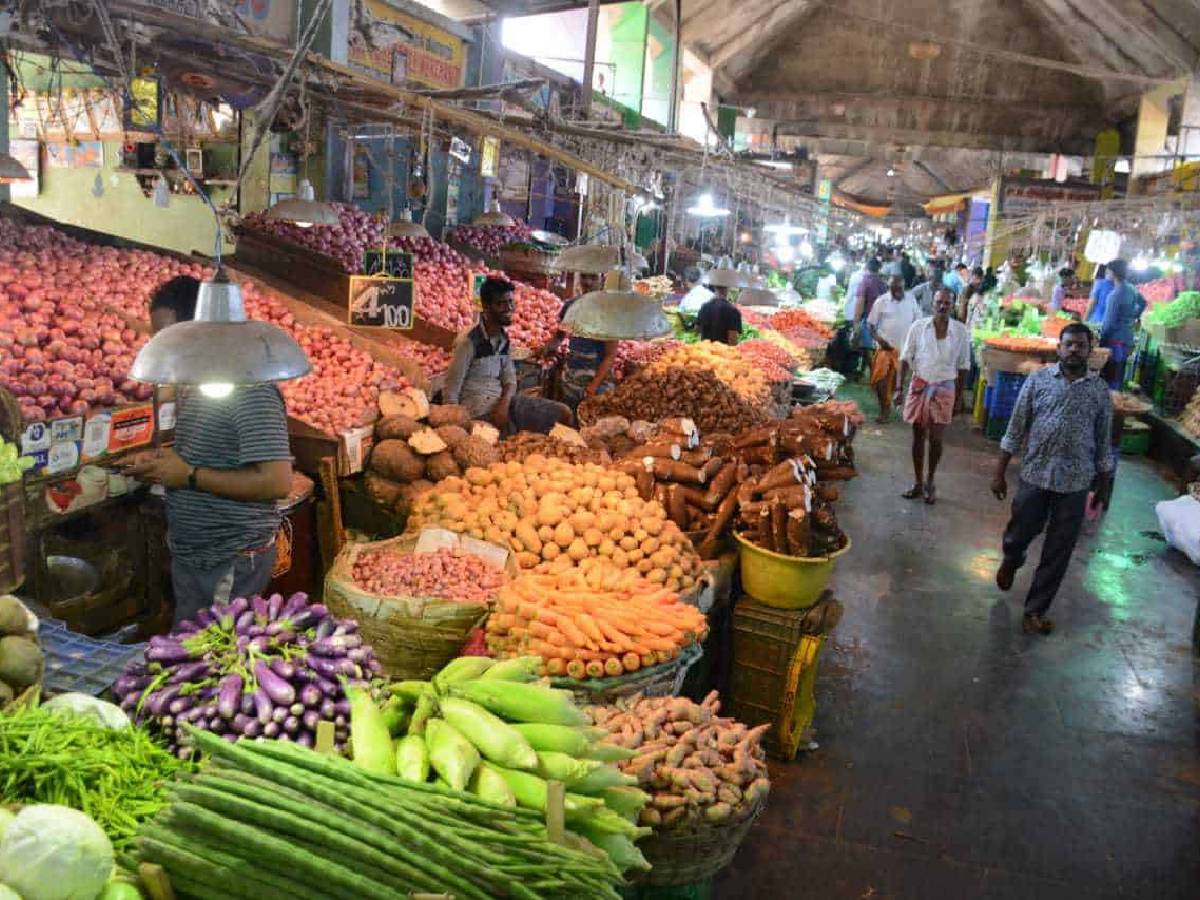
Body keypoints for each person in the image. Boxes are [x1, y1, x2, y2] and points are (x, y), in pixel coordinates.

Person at [126, 276, 293, 626]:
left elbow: (276, 482)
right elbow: (203, 451)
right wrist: (160, 464)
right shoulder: (194, 379)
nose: (162, 348)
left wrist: (189, 475)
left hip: (231, 557)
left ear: (201, 332)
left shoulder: (251, 390)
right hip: (195, 554)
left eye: (168, 337)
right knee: (188, 645)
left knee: (214, 651)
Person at [992, 323, 1114, 635]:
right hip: (1036, 473)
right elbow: (1016, 427)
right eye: (1068, 344)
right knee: (1019, 533)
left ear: (1089, 351)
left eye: (1080, 345)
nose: (1074, 349)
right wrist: (999, 472)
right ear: (1059, 348)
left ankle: (1035, 609)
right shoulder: (1039, 380)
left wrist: (1104, 486)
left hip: (1076, 482)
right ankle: (1012, 559)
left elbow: (1104, 442)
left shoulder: (1099, 391)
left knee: (1059, 549)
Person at [443, 276, 571, 432]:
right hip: (478, 413)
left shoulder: (503, 338)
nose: (509, 308)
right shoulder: (468, 342)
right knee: (517, 438)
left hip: (505, 403)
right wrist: (459, 428)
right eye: (501, 304)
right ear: (486, 307)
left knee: (563, 413)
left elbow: (509, 379)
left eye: (510, 302)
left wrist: (503, 405)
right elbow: (451, 390)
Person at [896, 288, 971, 505]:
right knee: (918, 435)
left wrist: (959, 397)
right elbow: (905, 358)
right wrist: (899, 388)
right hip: (920, 384)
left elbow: (963, 366)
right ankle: (918, 482)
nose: (942, 306)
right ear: (932, 304)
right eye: (939, 302)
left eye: (947, 303)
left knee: (936, 438)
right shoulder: (918, 327)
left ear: (952, 306)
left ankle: (930, 481)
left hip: (945, 388)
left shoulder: (960, 331)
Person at [541, 273, 618, 408]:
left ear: (602, 279)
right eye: (583, 277)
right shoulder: (571, 306)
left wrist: (593, 386)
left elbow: (610, 355)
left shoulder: (608, 312)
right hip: (571, 381)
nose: (587, 282)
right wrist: (549, 348)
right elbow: (559, 335)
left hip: (597, 385)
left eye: (593, 278)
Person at [867, 275, 921, 423]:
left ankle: (891, 404)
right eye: (893, 289)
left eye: (899, 289)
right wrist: (879, 339)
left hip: (905, 351)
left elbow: (918, 322)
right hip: (886, 349)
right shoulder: (881, 301)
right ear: (889, 288)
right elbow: (870, 325)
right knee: (881, 381)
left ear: (904, 287)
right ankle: (884, 409)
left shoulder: (911, 300)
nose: (896, 292)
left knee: (897, 384)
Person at [1098, 258, 1145, 389]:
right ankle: (1117, 395)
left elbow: (1109, 323)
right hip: (1127, 338)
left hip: (1114, 341)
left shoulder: (1114, 295)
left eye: (1108, 271)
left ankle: (1111, 398)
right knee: (1119, 373)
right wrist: (1133, 315)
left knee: (1110, 375)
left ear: (1113, 273)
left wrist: (1100, 338)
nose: (1106, 273)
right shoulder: (1132, 289)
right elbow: (1143, 303)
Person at [844, 257, 887, 364]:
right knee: (876, 349)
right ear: (879, 269)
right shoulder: (882, 283)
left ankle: (874, 371)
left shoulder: (864, 282)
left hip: (869, 321)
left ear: (866, 267)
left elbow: (860, 303)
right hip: (881, 321)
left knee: (868, 350)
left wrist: (856, 322)